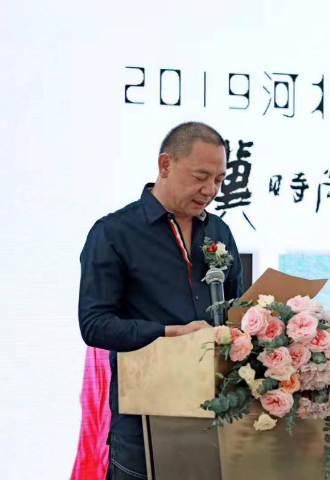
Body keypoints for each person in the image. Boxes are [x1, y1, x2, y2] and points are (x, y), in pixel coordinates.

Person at [78, 122, 244, 479]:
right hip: (144, 425)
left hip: (217, 419)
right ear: (165, 164)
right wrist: (169, 333)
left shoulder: (219, 231)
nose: (211, 190)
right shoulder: (114, 232)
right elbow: (94, 325)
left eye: (219, 179)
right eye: (201, 176)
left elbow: (237, 312)